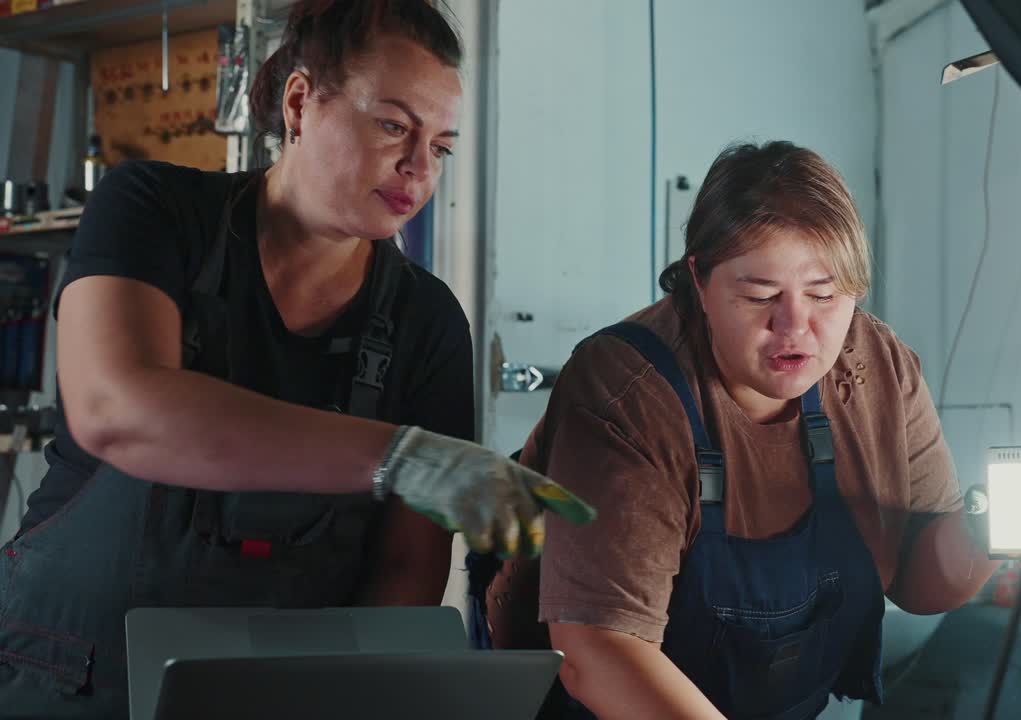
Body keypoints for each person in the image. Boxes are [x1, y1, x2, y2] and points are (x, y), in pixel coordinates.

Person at [0, 2, 589, 717]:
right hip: (70, 673)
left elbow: (405, 571)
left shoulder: (424, 321)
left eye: (440, 147)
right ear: (302, 103)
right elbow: (116, 410)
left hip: (277, 691)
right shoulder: (155, 210)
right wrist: (398, 456)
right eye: (393, 126)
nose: (417, 166)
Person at [483, 141, 1021, 719]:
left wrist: (983, 533)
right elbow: (598, 653)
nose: (795, 326)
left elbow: (919, 580)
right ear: (699, 279)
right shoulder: (628, 394)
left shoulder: (874, 368)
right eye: (760, 294)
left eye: (825, 294)